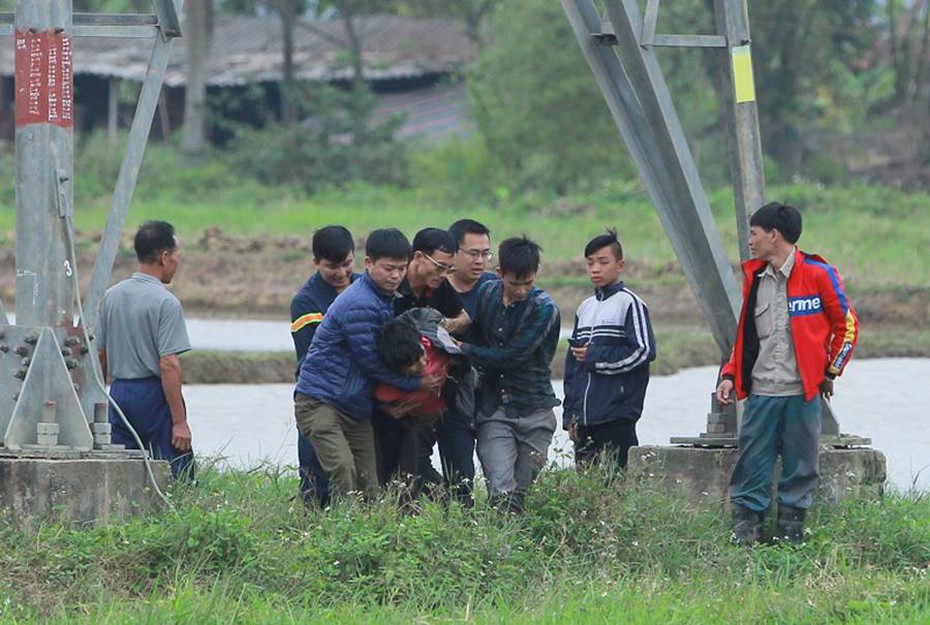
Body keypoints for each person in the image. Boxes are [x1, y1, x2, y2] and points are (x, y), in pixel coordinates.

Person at [716, 202, 858, 546]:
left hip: (802, 394)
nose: (750, 240)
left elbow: (847, 326)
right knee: (751, 467)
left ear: (773, 235)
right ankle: (746, 541)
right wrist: (730, 375)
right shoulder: (755, 277)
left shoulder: (818, 275)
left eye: (754, 233)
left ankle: (790, 542)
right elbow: (746, 336)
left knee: (800, 469)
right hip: (762, 392)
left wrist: (830, 371)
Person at [293, 228, 439, 501]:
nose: (395, 276)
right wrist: (416, 383)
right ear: (368, 263)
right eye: (388, 268)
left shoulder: (381, 297)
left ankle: (366, 537)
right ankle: (342, 535)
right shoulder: (361, 303)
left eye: (401, 268)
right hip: (321, 401)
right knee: (343, 470)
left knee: (368, 486)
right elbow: (372, 363)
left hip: (353, 405)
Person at [459, 236, 561, 513]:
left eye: (528, 282)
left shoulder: (544, 308)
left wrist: (463, 348)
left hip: (535, 410)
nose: (521, 290)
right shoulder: (486, 294)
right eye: (515, 283)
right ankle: (500, 548)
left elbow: (512, 356)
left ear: (536, 273)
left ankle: (514, 547)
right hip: (495, 410)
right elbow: (478, 332)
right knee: (501, 489)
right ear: (500, 273)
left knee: (522, 492)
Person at [97, 220, 194, 479]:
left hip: (119, 395)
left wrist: (96, 402)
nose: (177, 262)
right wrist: (179, 421)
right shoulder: (166, 302)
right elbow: (168, 364)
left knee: (123, 472)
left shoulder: (111, 296)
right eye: (176, 256)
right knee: (177, 473)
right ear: (164, 257)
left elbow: (100, 356)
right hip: (152, 394)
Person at [377, 227, 469, 487]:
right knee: (385, 468)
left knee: (413, 465)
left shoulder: (438, 287)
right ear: (418, 257)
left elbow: (464, 319)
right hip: (387, 392)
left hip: (421, 398)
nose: (443, 275)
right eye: (439, 267)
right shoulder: (391, 287)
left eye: (448, 269)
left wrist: (435, 328)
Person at [563, 229, 656, 473]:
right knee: (588, 489)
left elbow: (643, 351)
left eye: (603, 262)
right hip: (583, 419)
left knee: (619, 483)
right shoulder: (584, 308)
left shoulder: (630, 303)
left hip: (617, 414)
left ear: (619, 265)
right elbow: (572, 367)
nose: (595, 269)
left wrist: (595, 357)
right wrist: (569, 415)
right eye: (590, 263)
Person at [290, 225, 359, 506]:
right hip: (319, 397)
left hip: (358, 399)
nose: (342, 274)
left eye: (347, 264)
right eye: (332, 267)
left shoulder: (366, 286)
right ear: (316, 262)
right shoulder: (306, 301)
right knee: (315, 475)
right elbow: (317, 356)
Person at [438, 219, 499, 505]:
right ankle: (460, 529)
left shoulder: (496, 289)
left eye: (485, 253)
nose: (480, 261)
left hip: (492, 396)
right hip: (450, 396)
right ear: (453, 253)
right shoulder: (437, 289)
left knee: (501, 474)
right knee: (459, 476)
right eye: (473, 253)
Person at [374, 309, 459, 500]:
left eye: (421, 357)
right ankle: (406, 510)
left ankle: (449, 502)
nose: (421, 365)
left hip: (444, 411)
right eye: (411, 366)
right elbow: (373, 400)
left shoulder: (436, 346)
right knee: (404, 472)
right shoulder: (387, 388)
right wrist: (387, 409)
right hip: (407, 420)